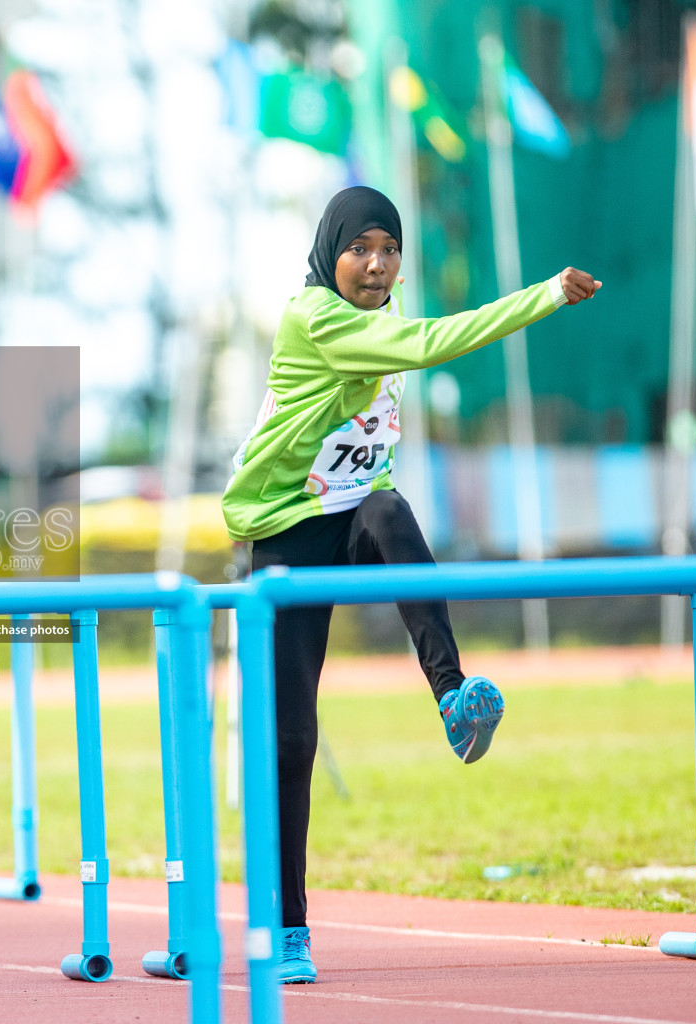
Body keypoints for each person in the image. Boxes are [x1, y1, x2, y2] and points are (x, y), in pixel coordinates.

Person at [221, 185, 600, 984]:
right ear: (331, 252)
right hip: (286, 531)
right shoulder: (313, 318)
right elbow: (431, 344)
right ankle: (289, 929)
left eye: (390, 250)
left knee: (390, 511)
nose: (378, 264)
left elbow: (376, 444)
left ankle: (453, 699)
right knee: (292, 740)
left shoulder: (384, 321)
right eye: (361, 248)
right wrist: (542, 296)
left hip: (353, 515)